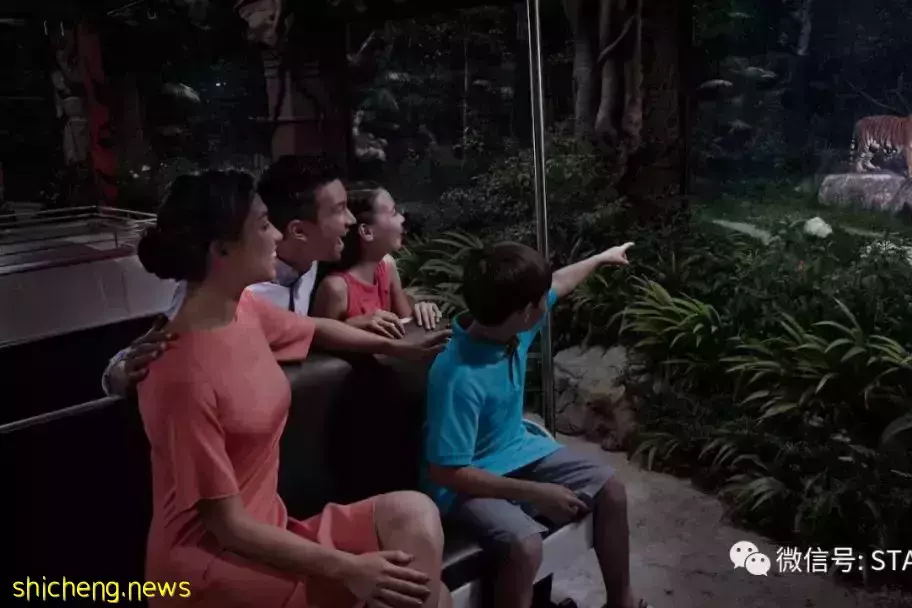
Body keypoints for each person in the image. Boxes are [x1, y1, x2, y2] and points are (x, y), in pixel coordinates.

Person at [136, 169, 452, 607]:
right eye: (264, 224)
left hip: (271, 528)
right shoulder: (180, 374)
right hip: (211, 565)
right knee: (434, 596)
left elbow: (314, 328)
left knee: (415, 517)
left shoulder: (244, 310)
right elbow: (228, 527)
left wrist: (395, 347)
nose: (277, 235)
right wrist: (350, 568)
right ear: (221, 248)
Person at [421, 241, 652, 608]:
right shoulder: (456, 376)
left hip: (518, 449)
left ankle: (621, 602)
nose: (548, 302)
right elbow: (446, 471)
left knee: (611, 490)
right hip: (466, 480)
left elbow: (560, 282)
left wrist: (599, 258)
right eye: (541, 300)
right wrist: (537, 493)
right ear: (526, 312)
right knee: (524, 545)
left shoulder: (511, 330)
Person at [101, 156, 447, 397]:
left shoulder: (317, 259)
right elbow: (153, 351)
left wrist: (410, 313)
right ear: (299, 230)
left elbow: (309, 326)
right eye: (340, 210)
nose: (352, 221)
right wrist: (120, 373)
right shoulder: (231, 289)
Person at [312, 185, 442, 338]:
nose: (402, 219)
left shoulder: (387, 266)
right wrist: (351, 326)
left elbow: (407, 326)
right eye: (393, 213)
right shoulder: (336, 289)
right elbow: (318, 342)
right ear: (367, 232)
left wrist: (421, 312)